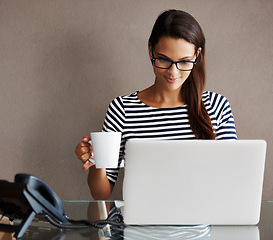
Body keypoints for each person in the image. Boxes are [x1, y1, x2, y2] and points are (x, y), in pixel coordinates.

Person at [74, 9, 237, 200]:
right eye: (163, 59)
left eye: (184, 62)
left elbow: (230, 182)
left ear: (197, 56)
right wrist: (96, 159)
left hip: (202, 227)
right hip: (139, 227)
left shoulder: (217, 106)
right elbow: (100, 194)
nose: (173, 72)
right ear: (151, 50)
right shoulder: (122, 109)